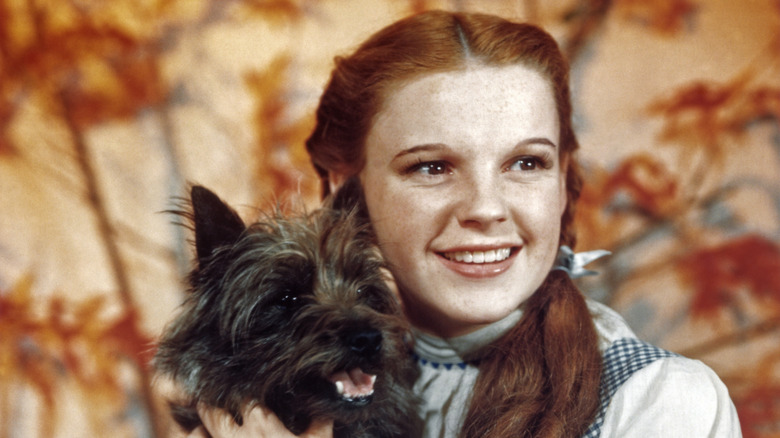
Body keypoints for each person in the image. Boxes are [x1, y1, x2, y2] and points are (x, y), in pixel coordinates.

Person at [188, 10, 742, 438]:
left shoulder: (657, 402)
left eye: (526, 163)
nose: (486, 208)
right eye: (431, 167)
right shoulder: (280, 390)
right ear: (344, 189)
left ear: (562, 178)